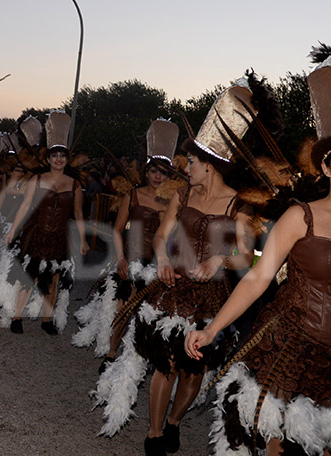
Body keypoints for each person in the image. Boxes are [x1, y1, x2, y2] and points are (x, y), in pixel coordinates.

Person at [186, 55, 331, 456]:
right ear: (327, 166)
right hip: (288, 354)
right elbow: (259, 279)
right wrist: (212, 330)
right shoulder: (302, 217)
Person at [92, 84, 256, 454]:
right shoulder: (180, 195)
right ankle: (153, 432)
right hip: (170, 290)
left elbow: (249, 255)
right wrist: (163, 260)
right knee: (164, 363)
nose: (187, 168)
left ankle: (174, 422)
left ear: (209, 165)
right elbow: (160, 237)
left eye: (193, 163)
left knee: (192, 371)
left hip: (210, 298)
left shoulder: (238, 205)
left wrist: (218, 260)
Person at [72, 119, 180, 368]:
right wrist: (121, 258)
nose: (157, 176)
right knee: (121, 309)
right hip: (130, 261)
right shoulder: (133, 195)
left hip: (158, 266)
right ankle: (111, 354)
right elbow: (117, 230)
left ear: (169, 175)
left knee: (149, 316)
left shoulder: (175, 201)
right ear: (146, 171)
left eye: (163, 172)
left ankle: (136, 361)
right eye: (154, 171)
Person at [0, 111, 88, 335]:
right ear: (48, 159)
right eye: (54, 155)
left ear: (66, 159)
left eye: (62, 156)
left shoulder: (74, 184)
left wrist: (82, 240)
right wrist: (13, 230)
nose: (58, 159)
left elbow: (79, 214)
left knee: (54, 279)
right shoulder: (36, 179)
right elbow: (25, 206)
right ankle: (17, 317)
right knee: (29, 275)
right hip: (36, 233)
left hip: (59, 237)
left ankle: (47, 319)